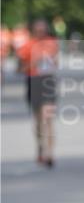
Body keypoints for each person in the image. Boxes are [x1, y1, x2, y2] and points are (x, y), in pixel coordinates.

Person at [16, 19, 59, 167]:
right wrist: (32, 64)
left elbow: (55, 62)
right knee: (38, 121)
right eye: (38, 31)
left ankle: (49, 153)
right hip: (33, 82)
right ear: (33, 31)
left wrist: (52, 62)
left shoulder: (52, 43)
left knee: (48, 118)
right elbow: (19, 70)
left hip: (48, 82)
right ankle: (41, 146)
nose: (41, 33)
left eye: (43, 30)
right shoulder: (27, 46)